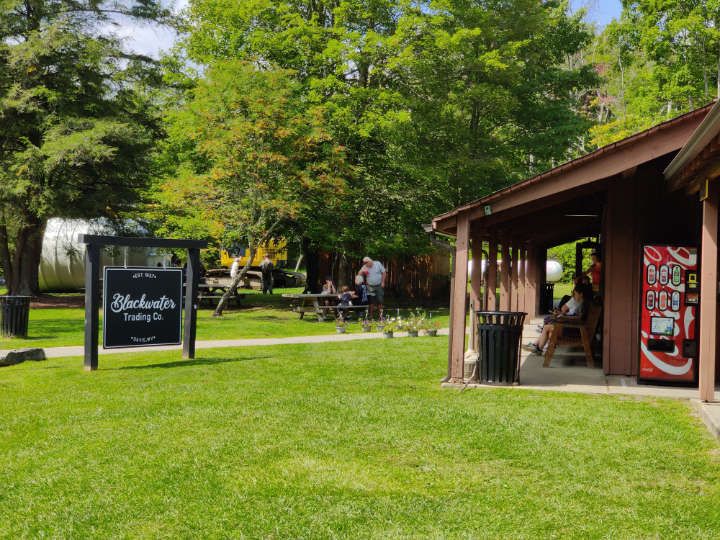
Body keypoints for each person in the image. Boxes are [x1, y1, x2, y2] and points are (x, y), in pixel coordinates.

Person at [525, 286, 586, 355]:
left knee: (547, 327)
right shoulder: (581, 302)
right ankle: (538, 347)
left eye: (575, 294)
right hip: (573, 328)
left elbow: (579, 318)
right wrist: (564, 315)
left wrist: (564, 317)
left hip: (573, 330)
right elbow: (576, 316)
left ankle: (538, 348)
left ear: (581, 294)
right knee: (549, 327)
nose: (574, 296)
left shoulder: (581, 303)